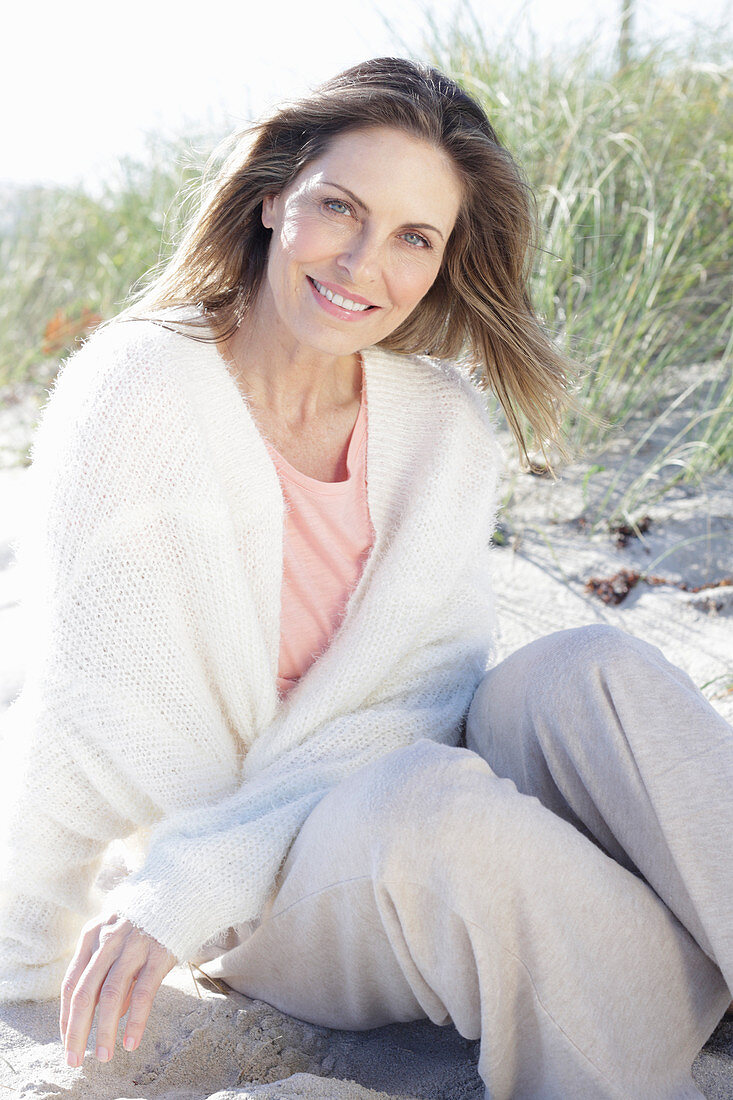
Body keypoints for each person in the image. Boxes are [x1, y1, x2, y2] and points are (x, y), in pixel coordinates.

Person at [0, 56, 730, 1100]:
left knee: (587, 670)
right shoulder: (137, 390)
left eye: (412, 237)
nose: (363, 262)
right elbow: (82, 703)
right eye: (338, 208)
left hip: (418, 800)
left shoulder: (439, 422)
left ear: (441, 261)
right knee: (428, 800)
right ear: (269, 200)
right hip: (269, 881)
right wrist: (37, 943)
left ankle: (695, 964)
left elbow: (425, 701)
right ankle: (656, 1027)